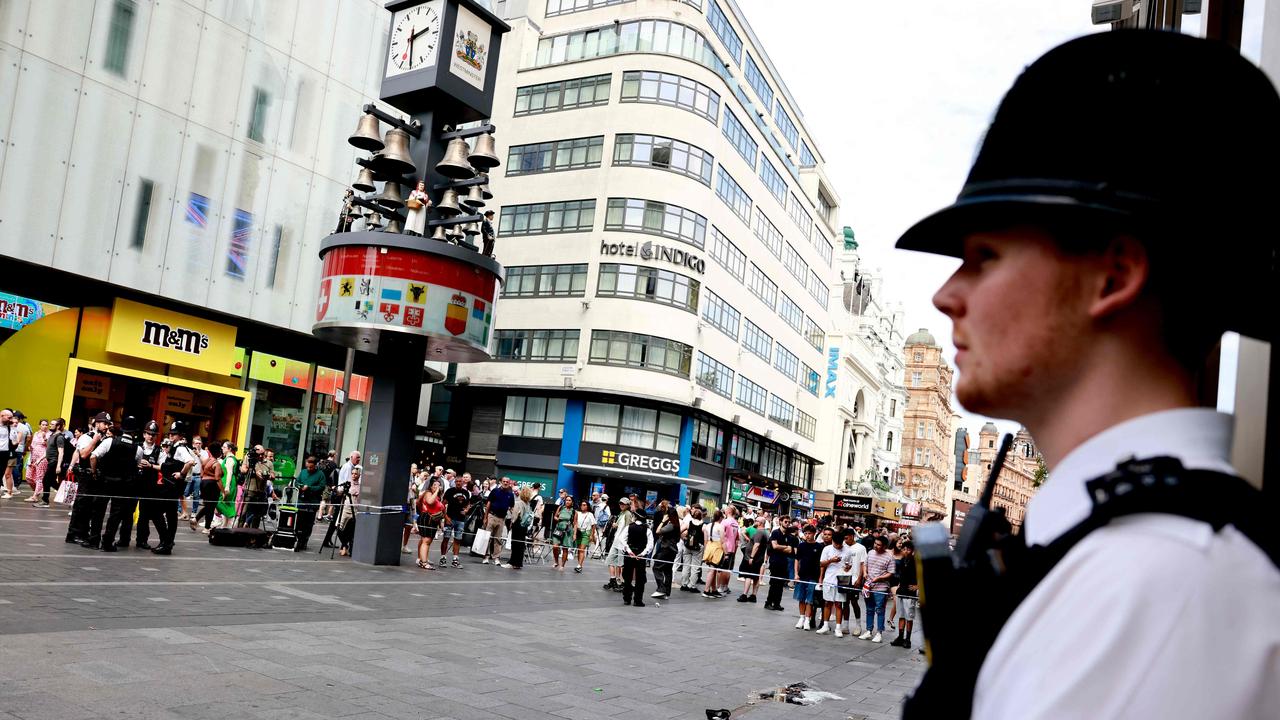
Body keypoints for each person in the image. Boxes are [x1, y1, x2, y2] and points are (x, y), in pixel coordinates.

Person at [899, 31, 1280, 719]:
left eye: (983, 256)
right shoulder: (1125, 560)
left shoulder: (1153, 584)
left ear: (1113, 275)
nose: (947, 294)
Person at [86, 416, 140, 551]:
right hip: (123, 485)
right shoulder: (137, 449)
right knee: (115, 514)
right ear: (134, 432)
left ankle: (94, 540)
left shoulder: (110, 441)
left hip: (105, 481)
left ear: (122, 429)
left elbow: (93, 456)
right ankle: (107, 543)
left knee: (99, 511)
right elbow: (138, 466)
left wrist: (94, 472)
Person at [65, 412, 110, 544]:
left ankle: (84, 532)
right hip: (86, 475)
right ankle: (73, 534)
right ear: (96, 423)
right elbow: (83, 455)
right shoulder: (86, 437)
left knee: (91, 507)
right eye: (104, 423)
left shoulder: (106, 438)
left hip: (97, 477)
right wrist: (95, 441)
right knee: (81, 505)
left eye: (108, 424)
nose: (106, 426)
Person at [151, 422, 195, 555]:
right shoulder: (175, 447)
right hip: (170, 485)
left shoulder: (180, 448)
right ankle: (167, 542)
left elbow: (190, 462)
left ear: (180, 435)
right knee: (170, 515)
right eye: (170, 433)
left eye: (174, 434)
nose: (171, 435)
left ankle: (167, 541)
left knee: (157, 512)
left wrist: (181, 474)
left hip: (172, 487)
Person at [858, 536, 894, 643]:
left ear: (884, 546)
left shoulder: (889, 557)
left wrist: (879, 578)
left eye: (879, 545)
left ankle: (879, 633)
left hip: (881, 588)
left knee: (880, 610)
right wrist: (865, 573)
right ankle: (868, 631)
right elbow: (865, 564)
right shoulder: (870, 553)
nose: (876, 546)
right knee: (869, 609)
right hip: (868, 585)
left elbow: (890, 573)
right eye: (875, 544)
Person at [815, 528, 846, 637]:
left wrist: (848, 567)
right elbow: (821, 564)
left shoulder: (847, 550)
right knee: (827, 603)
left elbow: (849, 566)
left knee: (838, 604)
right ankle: (825, 625)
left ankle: (838, 627)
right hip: (828, 579)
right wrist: (831, 560)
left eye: (839, 544)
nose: (837, 546)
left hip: (841, 580)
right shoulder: (827, 549)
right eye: (835, 543)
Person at [620, 508, 653, 607]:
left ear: (635, 516)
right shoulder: (647, 529)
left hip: (629, 555)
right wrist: (643, 553)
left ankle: (627, 598)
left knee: (627, 577)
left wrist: (629, 551)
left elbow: (622, 539)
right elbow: (650, 545)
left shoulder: (629, 527)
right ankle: (638, 600)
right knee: (640, 578)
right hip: (640, 556)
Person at [792, 525, 823, 630]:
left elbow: (821, 564)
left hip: (813, 576)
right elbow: (797, 560)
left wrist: (820, 579)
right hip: (802, 575)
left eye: (809, 533)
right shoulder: (801, 546)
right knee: (801, 598)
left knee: (809, 600)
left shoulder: (819, 547)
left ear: (814, 533)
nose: (807, 535)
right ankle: (801, 618)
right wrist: (796, 574)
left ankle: (807, 620)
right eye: (805, 533)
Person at [764, 517, 797, 611]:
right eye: (785, 522)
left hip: (784, 561)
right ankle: (768, 602)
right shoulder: (775, 532)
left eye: (789, 522)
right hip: (775, 561)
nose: (787, 523)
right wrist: (784, 547)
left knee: (780, 583)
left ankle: (777, 603)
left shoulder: (789, 535)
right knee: (774, 583)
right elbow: (774, 546)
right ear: (781, 522)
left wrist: (780, 546)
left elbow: (790, 549)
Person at [292, 454, 325, 549]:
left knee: (308, 523)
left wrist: (309, 487)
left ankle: (305, 540)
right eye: (307, 467)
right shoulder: (303, 472)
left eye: (311, 467)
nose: (309, 469)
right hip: (301, 501)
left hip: (312, 502)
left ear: (315, 465)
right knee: (299, 521)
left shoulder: (320, 474)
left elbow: (321, 487)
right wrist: (300, 486)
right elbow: (297, 481)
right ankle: (298, 539)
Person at [439, 472, 470, 568]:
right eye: (456, 481)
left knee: (458, 539)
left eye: (460, 481)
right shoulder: (450, 491)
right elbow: (442, 505)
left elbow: (468, 504)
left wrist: (466, 510)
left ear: (463, 482)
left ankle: (455, 560)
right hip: (450, 518)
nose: (458, 483)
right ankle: (443, 558)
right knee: (446, 538)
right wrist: (446, 517)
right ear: (455, 482)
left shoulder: (466, 493)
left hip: (460, 520)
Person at [890, 539, 918, 649]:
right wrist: (897, 586)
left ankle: (908, 639)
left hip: (910, 592)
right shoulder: (902, 561)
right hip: (901, 590)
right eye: (904, 549)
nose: (906, 551)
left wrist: (918, 586)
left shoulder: (916, 562)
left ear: (912, 550)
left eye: (908, 549)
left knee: (909, 617)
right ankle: (900, 637)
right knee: (901, 615)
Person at [481, 476, 515, 565]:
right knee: (487, 537)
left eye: (507, 482)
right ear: (501, 482)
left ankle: (496, 558)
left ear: (509, 483)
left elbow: (511, 508)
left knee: (498, 539)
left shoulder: (510, 494)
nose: (505, 483)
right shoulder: (495, 491)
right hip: (492, 516)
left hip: (502, 519)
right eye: (504, 481)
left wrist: (514, 518)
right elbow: (488, 504)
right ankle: (486, 556)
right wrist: (485, 517)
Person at [191, 443, 224, 533]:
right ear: (217, 452)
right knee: (211, 506)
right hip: (212, 485)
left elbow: (202, 473)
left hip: (204, 483)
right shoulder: (216, 464)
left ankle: (196, 519)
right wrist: (223, 491)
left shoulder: (206, 461)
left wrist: (204, 482)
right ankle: (206, 528)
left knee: (208, 506)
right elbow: (218, 478)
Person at [602, 496, 633, 591]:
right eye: (620, 503)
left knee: (621, 564)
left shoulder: (628, 514)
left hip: (622, 543)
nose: (621, 505)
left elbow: (629, 528)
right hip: (616, 541)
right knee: (610, 561)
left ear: (628, 505)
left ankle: (622, 583)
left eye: (624, 504)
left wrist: (625, 542)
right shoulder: (621, 513)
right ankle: (613, 580)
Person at [239, 445, 273, 529]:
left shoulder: (268, 463)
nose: (261, 456)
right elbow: (243, 470)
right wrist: (254, 471)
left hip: (261, 491)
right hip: (250, 489)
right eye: (259, 454)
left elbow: (273, 476)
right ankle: (239, 531)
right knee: (244, 512)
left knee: (257, 514)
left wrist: (267, 475)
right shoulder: (249, 458)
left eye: (262, 454)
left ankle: (254, 534)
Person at [38, 418, 70, 508]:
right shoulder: (52, 435)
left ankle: (45, 501)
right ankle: (67, 496)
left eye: (52, 424)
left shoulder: (59, 437)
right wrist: (40, 459)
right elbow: (49, 450)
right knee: (51, 482)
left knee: (45, 480)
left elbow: (61, 452)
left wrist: (58, 466)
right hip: (51, 461)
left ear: (58, 426)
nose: (50, 425)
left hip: (54, 462)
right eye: (50, 424)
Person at [736, 517, 769, 603]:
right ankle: (753, 595)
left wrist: (751, 557)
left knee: (748, 576)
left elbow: (756, 545)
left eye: (756, 521)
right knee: (755, 577)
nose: (754, 522)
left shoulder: (759, 532)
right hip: (759, 558)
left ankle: (744, 595)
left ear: (760, 523)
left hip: (753, 559)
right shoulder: (765, 532)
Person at [650, 506, 680, 599]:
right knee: (667, 570)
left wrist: (663, 521)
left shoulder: (671, 524)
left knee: (657, 567)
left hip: (666, 549)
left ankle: (661, 589)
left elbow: (658, 531)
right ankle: (666, 592)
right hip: (672, 549)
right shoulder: (676, 524)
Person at [414, 478, 444, 570]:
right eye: (434, 485)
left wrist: (440, 523)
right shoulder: (428, 493)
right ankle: (424, 562)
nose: (437, 487)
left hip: (433, 520)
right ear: (430, 486)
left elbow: (439, 509)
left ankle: (423, 559)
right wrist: (437, 491)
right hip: (427, 518)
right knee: (426, 541)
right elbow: (429, 501)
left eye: (438, 485)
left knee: (427, 541)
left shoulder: (437, 497)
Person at [502, 486, 535, 570]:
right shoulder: (528, 504)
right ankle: (518, 563)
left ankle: (512, 562)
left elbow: (515, 516)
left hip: (517, 525)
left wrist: (511, 523)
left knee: (515, 544)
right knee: (521, 544)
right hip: (524, 526)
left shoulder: (518, 503)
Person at [677, 505, 704, 592]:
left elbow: (679, 531)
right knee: (695, 567)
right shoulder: (703, 526)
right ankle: (692, 586)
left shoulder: (689, 523)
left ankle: (684, 584)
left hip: (687, 546)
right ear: (701, 516)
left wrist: (684, 538)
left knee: (686, 566)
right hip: (697, 548)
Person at [22, 419, 49, 504]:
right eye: (43, 424)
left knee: (39, 478)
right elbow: (32, 444)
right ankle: (37, 491)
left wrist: (45, 438)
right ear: (39, 425)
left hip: (42, 458)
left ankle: (35, 496)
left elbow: (49, 447)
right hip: (33, 457)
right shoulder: (36, 433)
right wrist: (30, 447)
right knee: (29, 477)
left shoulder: (49, 435)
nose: (44, 426)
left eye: (46, 425)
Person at [337, 465, 361, 557]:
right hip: (345, 508)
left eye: (356, 474)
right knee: (339, 528)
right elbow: (340, 492)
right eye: (352, 473)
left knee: (352, 531)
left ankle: (350, 548)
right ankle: (344, 545)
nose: (354, 475)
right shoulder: (347, 484)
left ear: (359, 475)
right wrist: (337, 490)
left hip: (355, 510)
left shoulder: (360, 487)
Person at [215, 441, 239, 528]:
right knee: (226, 502)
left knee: (219, 501)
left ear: (229, 449)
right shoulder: (229, 458)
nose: (222, 448)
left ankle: (232, 517)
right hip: (227, 482)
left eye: (224, 447)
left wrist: (227, 487)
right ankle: (225, 525)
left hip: (228, 483)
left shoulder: (230, 459)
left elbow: (229, 473)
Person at [548, 493, 575, 570]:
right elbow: (555, 516)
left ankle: (562, 565)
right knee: (555, 547)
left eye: (569, 500)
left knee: (565, 549)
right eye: (567, 500)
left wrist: (574, 534)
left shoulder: (574, 511)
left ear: (572, 502)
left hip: (567, 531)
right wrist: (558, 519)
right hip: (558, 529)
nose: (568, 501)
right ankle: (556, 561)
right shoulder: (561, 508)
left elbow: (575, 523)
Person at [572, 499, 595, 573]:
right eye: (582, 505)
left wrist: (592, 535)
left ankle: (579, 565)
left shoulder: (590, 514)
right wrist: (575, 533)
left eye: (584, 505)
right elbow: (574, 523)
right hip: (579, 532)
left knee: (582, 549)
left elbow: (593, 525)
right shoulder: (577, 513)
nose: (583, 506)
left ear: (588, 506)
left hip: (586, 533)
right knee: (579, 550)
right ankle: (579, 565)